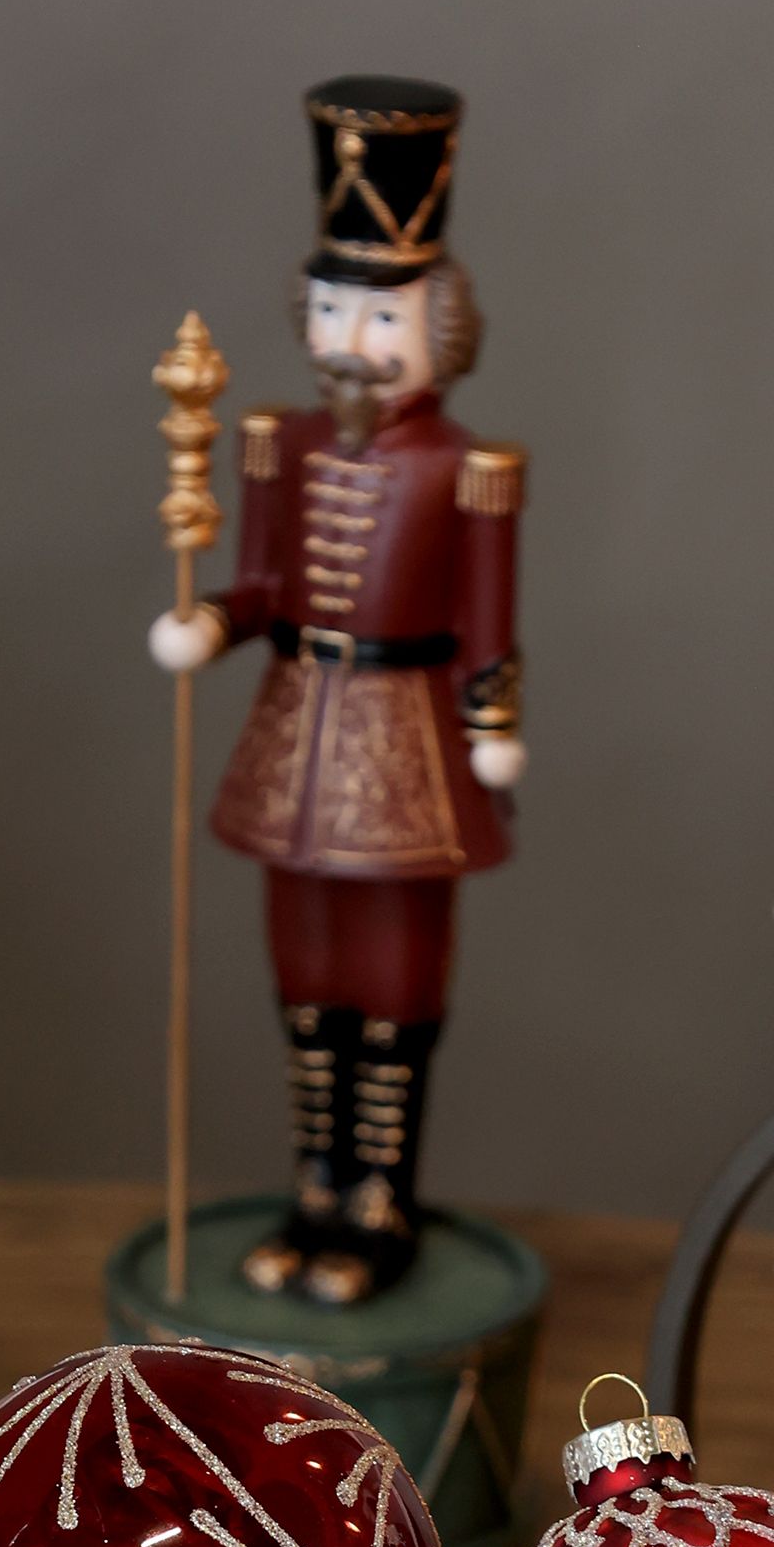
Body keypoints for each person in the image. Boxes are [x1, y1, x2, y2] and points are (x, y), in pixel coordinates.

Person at [149, 75, 525, 1306]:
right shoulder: (280, 442)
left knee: (396, 971)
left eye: (381, 320)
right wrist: (211, 620)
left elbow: (485, 616)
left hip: (409, 733)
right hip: (295, 727)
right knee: (303, 959)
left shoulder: (468, 468)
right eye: (331, 313)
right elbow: (263, 580)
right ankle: (316, 1178)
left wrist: (493, 723)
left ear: (440, 331)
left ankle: (382, 1195)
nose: (351, 345)